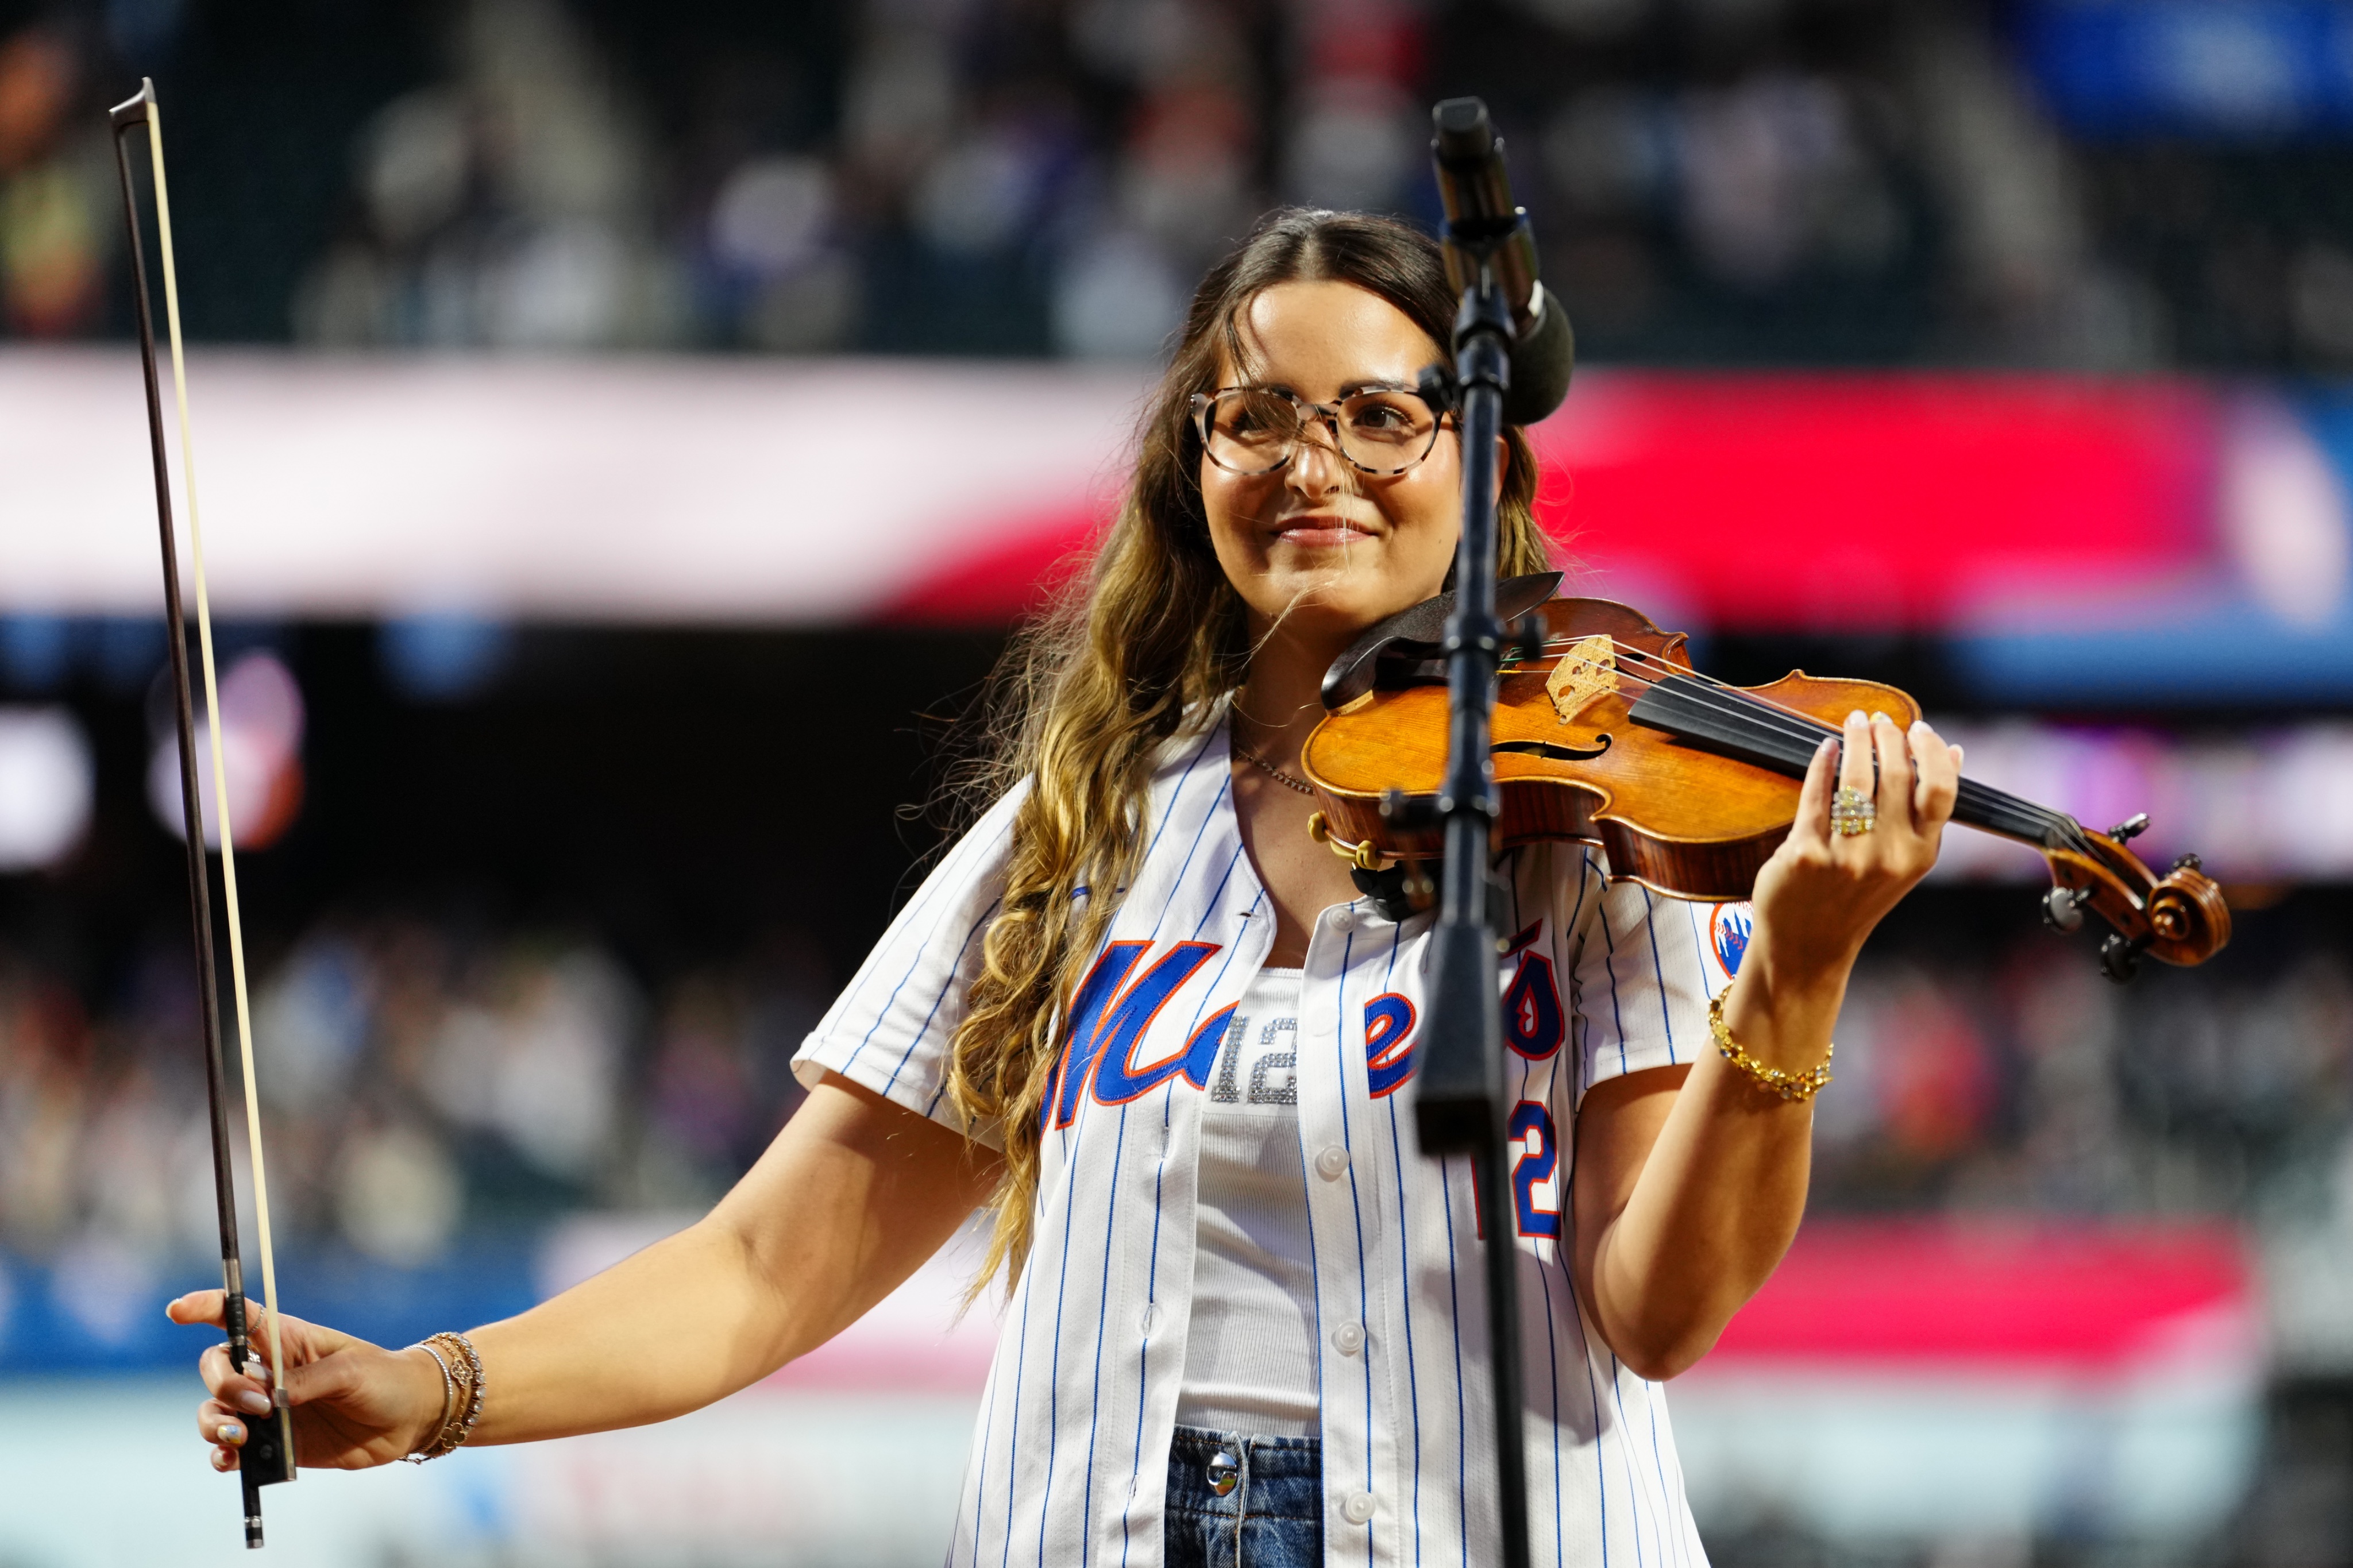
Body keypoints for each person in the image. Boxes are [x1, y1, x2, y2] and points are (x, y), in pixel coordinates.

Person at [172, 209, 1959, 1568]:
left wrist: (1792, 972)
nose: (1314, 462)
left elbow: (1662, 1310)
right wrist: (426, 1393)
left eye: (1378, 415)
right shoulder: (1084, 821)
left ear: (1478, 456)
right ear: (1196, 465)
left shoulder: (1595, 821)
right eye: (1253, 415)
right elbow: (762, 1266)